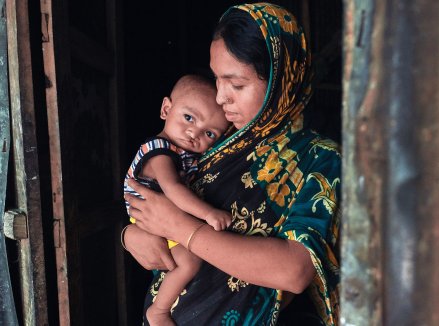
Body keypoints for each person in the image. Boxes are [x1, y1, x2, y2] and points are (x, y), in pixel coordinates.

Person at [123, 3, 341, 325]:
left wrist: (182, 228)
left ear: (281, 81)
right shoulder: (216, 140)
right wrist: (131, 235)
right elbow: (157, 202)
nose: (221, 97)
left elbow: (294, 270)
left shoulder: (320, 160)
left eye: (236, 84)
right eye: (216, 79)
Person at [123, 74, 232, 325]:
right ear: (166, 109)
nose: (194, 132)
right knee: (189, 262)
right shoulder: (159, 150)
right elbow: (172, 189)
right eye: (188, 118)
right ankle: (158, 311)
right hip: (149, 214)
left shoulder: (184, 154)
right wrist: (208, 214)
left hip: (164, 217)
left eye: (210, 134)